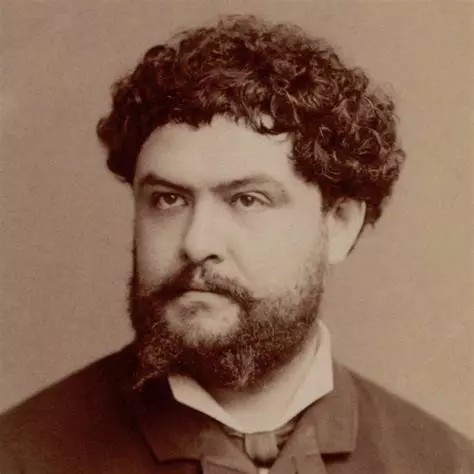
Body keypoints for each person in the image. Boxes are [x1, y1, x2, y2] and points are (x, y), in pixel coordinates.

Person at [0, 14, 472, 474]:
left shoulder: (446, 463)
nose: (196, 242)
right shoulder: (19, 456)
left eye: (247, 199)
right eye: (168, 199)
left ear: (340, 224)